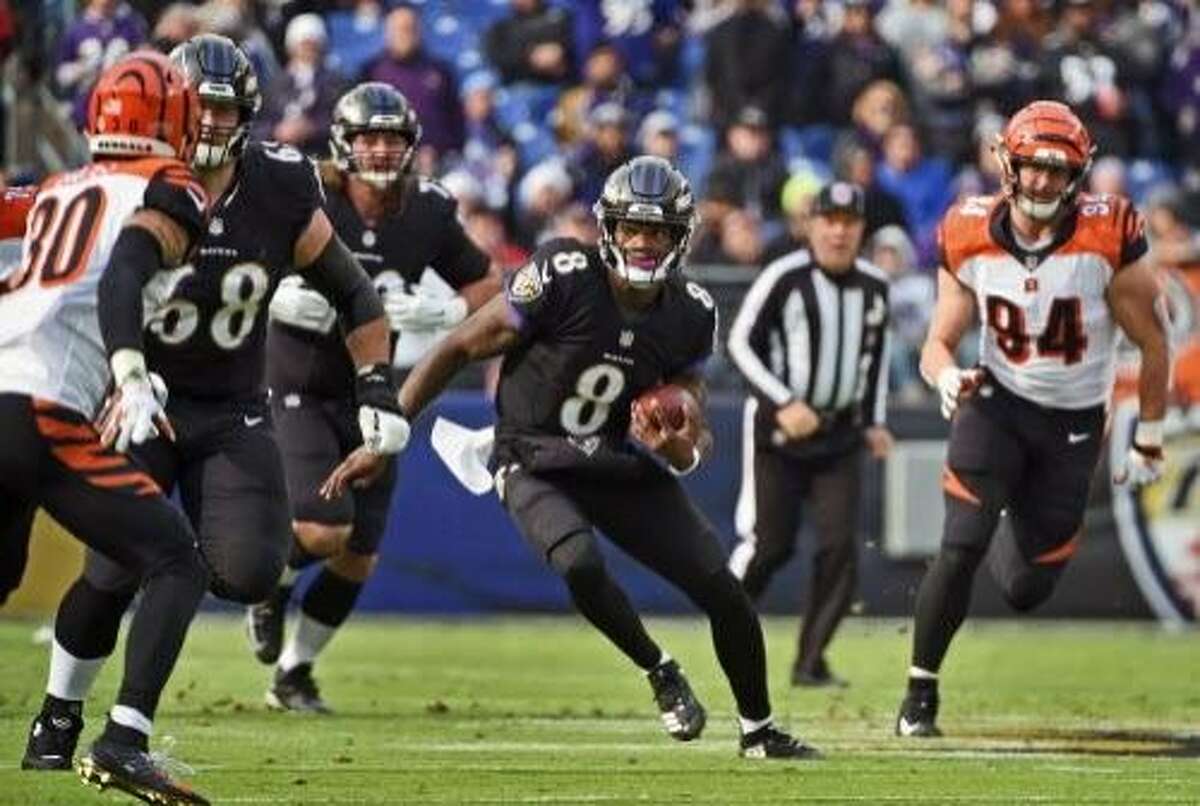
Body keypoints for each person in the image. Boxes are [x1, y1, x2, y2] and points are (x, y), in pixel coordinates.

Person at [323, 155, 819, 760]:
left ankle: (758, 729)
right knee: (579, 562)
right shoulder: (562, 274)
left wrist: (677, 443)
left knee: (723, 589)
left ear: (680, 237)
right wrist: (387, 434)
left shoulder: (690, 311)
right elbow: (457, 346)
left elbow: (693, 428)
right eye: (632, 229)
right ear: (608, 228)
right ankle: (659, 669)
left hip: (615, 461)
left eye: (657, 231)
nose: (642, 243)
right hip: (531, 454)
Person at [21, 35, 408, 773]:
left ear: (247, 115)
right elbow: (100, 284)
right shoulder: (134, 185)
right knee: (111, 571)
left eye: (221, 109)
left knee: (250, 570)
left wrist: (376, 385)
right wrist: (119, 373)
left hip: (231, 408)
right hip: (137, 401)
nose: (206, 125)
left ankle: (135, 682)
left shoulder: (281, 186)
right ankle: (59, 719)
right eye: (196, 108)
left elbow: (353, 290)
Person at [895, 101, 1170, 737]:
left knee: (1026, 587)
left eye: (1057, 169)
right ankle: (919, 694)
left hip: (1072, 423)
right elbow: (938, 341)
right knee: (959, 545)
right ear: (1006, 163)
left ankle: (999, 516)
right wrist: (945, 377)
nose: (1043, 181)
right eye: (1032, 167)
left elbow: (1153, 342)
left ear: (1079, 173)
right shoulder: (965, 229)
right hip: (997, 402)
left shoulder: (1109, 232)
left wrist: (1150, 437)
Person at [246, 81, 499, 713]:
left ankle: (294, 672)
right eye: (370, 138)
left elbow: (489, 285)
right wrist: (271, 291)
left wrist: (443, 309)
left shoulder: (430, 210)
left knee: (359, 554)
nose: (382, 151)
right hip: (301, 377)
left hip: (376, 389)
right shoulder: (306, 191)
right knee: (322, 529)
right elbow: (236, 255)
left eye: (393, 139)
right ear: (344, 143)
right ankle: (272, 583)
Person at [3, 52, 211, 802]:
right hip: (41, 407)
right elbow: (125, 272)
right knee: (177, 558)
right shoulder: (169, 186)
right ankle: (124, 738)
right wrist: (128, 367)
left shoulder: (57, 188)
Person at [726, 181, 893, 688]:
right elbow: (739, 343)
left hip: (839, 434)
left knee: (840, 549)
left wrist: (874, 420)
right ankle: (725, 622)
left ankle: (810, 661)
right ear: (811, 226)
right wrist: (784, 402)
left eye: (849, 222)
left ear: (861, 229)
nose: (839, 231)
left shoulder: (874, 286)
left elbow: (876, 358)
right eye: (830, 220)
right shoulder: (784, 277)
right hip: (780, 431)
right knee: (770, 544)